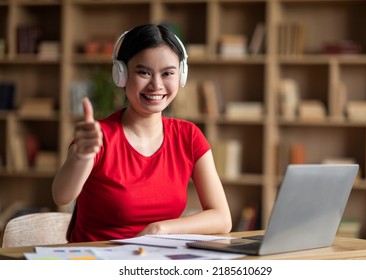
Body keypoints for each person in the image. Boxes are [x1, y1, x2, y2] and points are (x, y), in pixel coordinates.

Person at [52, 24, 232, 242]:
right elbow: (61, 196)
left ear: (181, 76)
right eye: (143, 72)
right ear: (122, 74)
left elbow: (222, 218)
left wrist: (161, 229)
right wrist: (81, 156)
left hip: (157, 260)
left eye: (167, 73)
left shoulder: (189, 136)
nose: (156, 85)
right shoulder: (99, 136)